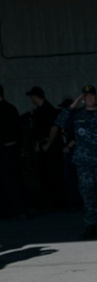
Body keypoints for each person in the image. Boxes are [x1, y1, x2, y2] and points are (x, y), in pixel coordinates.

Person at [62, 84, 97, 239]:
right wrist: (75, 103)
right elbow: (61, 120)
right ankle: (90, 226)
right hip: (84, 163)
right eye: (86, 97)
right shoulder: (77, 115)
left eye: (92, 96)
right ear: (83, 99)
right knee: (87, 195)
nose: (90, 99)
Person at [26, 86, 63, 210]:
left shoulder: (48, 110)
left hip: (49, 145)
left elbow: (54, 127)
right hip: (43, 144)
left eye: (32, 97)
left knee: (52, 173)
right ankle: (50, 200)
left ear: (35, 96)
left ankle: (56, 201)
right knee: (44, 173)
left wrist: (48, 143)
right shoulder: (40, 110)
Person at [0, 84, 25, 220]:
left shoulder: (4, 110)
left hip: (5, 150)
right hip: (12, 149)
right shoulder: (11, 108)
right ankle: (18, 210)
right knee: (13, 180)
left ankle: (12, 210)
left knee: (8, 182)